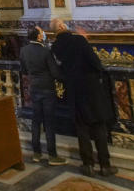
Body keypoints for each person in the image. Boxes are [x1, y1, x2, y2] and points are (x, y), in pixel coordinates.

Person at [50, 18, 118, 177]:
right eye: (63, 22)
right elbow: (95, 62)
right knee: (99, 126)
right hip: (91, 88)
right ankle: (105, 164)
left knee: (82, 128)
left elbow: (59, 70)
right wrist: (84, 41)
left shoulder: (55, 47)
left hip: (73, 90)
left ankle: (87, 164)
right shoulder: (78, 40)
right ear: (62, 26)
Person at [19, 25, 67, 165]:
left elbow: (23, 70)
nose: (43, 34)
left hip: (34, 87)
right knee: (49, 122)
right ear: (39, 36)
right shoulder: (45, 51)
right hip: (47, 89)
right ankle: (52, 155)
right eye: (42, 32)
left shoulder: (23, 50)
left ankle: (36, 153)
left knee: (36, 120)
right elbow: (55, 73)